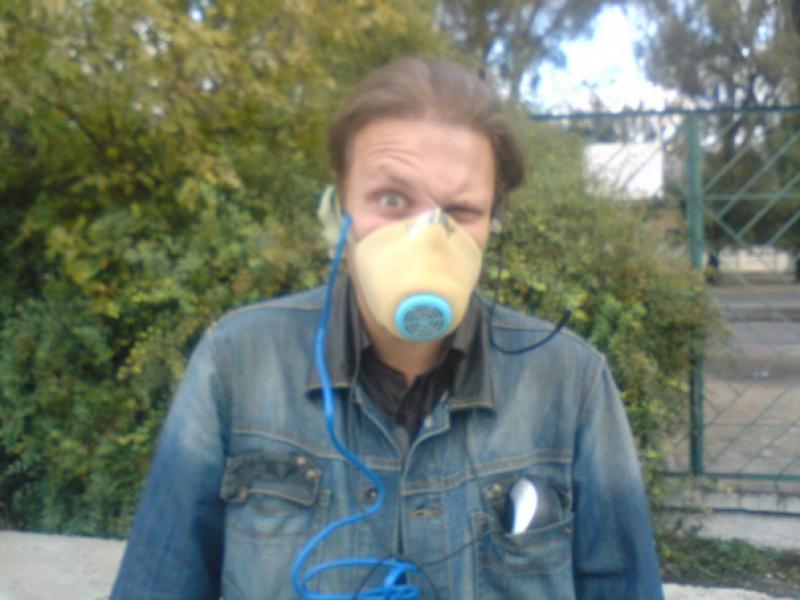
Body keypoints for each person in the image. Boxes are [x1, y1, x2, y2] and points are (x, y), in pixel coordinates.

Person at [112, 57, 664, 599]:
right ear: (338, 208)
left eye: (461, 211)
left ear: (492, 223)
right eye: (392, 199)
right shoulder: (239, 361)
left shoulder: (570, 380)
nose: (426, 238)